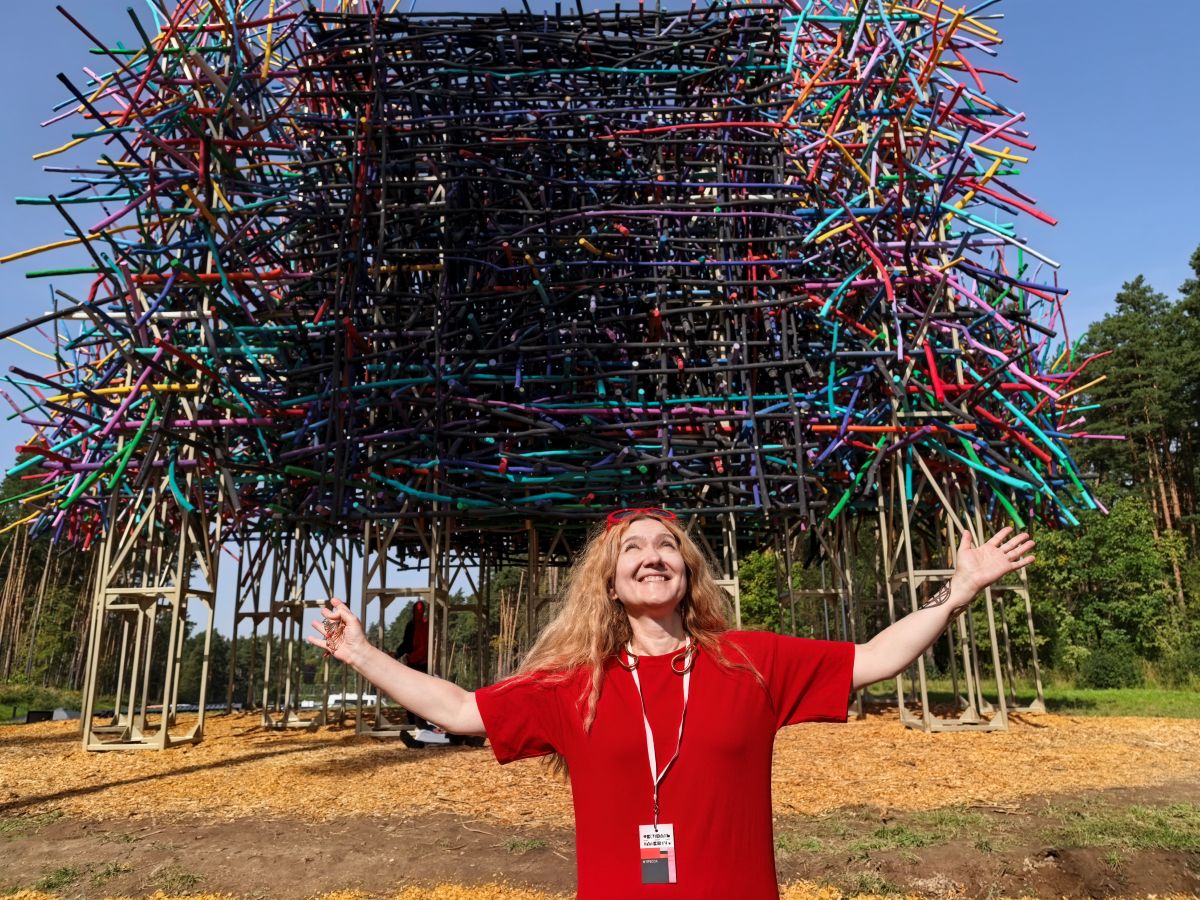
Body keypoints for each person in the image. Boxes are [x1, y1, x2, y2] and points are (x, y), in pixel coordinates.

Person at [309, 507, 1034, 899]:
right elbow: (462, 710)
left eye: (667, 546)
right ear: (610, 582)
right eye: (633, 549)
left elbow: (874, 657)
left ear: (687, 572)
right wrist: (362, 653)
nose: (652, 555)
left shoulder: (750, 660)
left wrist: (957, 592)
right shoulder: (575, 682)